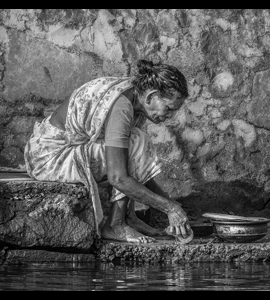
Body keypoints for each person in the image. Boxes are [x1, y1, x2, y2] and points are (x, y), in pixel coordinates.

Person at [24, 60, 192, 244]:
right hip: (50, 158)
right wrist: (169, 208)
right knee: (137, 141)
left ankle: (128, 218)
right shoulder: (121, 107)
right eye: (169, 108)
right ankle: (115, 224)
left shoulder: (134, 96)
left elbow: (136, 167)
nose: (169, 116)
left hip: (58, 151)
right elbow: (118, 178)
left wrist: (171, 204)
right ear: (151, 96)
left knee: (134, 141)